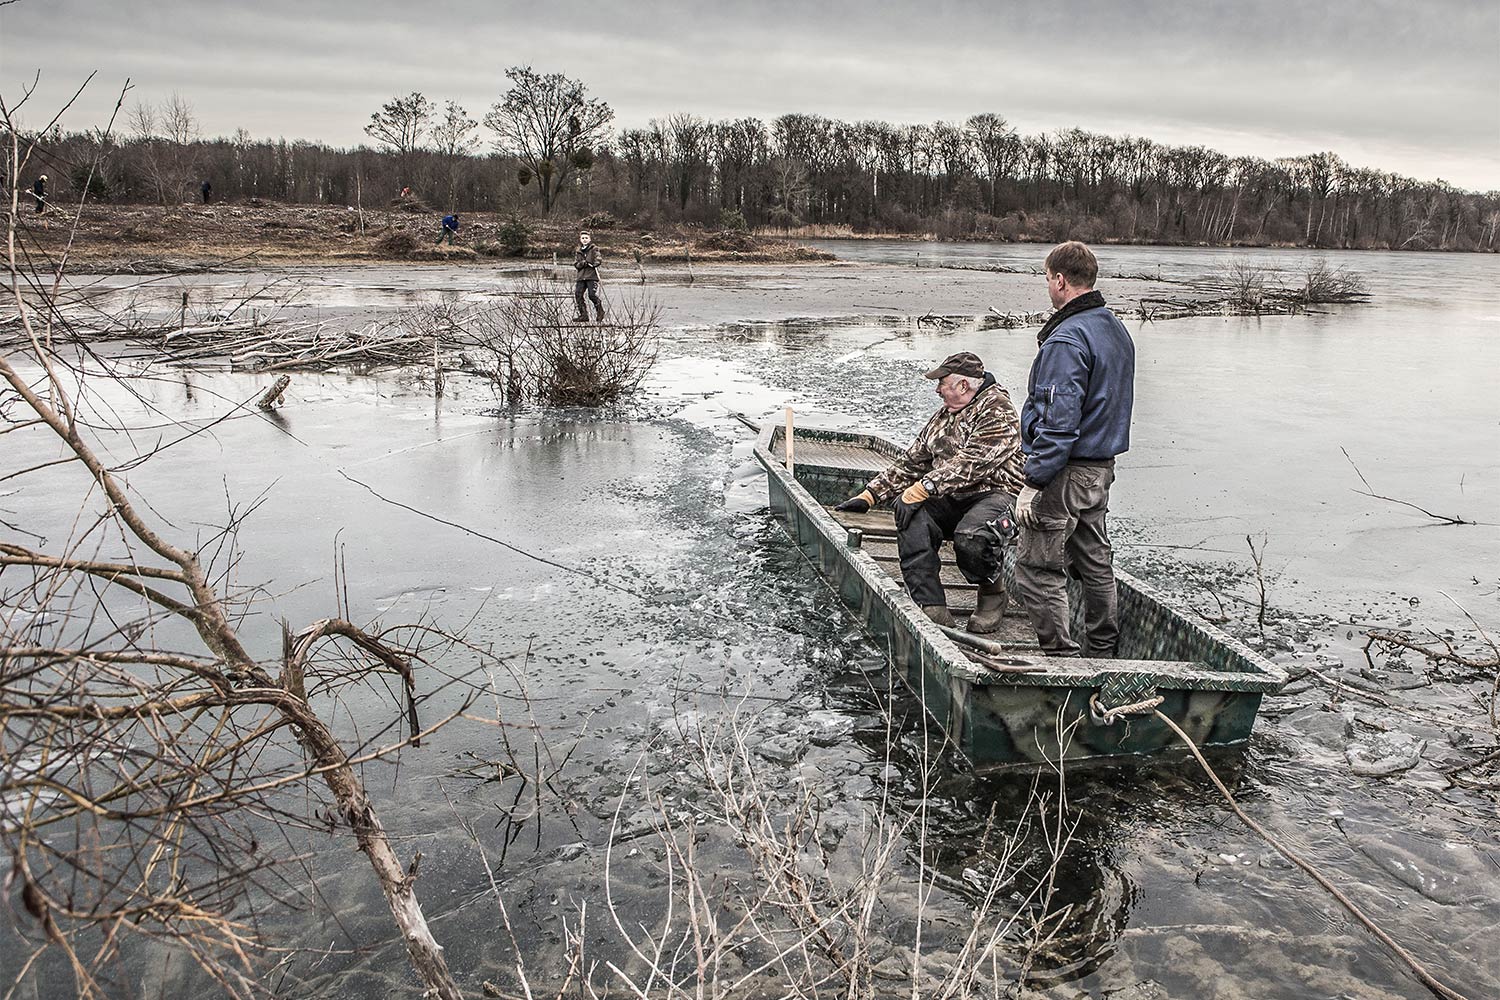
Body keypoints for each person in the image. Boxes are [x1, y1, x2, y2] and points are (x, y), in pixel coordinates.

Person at [834, 351, 1024, 632]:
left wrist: (925, 487)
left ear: (963, 385)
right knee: (910, 511)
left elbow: (973, 463)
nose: (937, 390)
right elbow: (913, 460)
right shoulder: (945, 415)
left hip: (996, 494)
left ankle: (992, 594)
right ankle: (931, 604)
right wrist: (871, 494)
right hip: (952, 495)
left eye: (941, 383)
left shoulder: (998, 411)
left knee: (973, 536)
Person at [1012, 241, 1136, 657]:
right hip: (1100, 469)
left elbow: (1058, 422)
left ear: (1061, 280)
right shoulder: (1114, 328)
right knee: (1094, 559)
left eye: (1048, 278)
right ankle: (1103, 650)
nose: (1048, 286)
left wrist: (1033, 481)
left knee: (1037, 566)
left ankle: (1061, 656)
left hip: (1065, 471)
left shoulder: (1067, 339)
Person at [573, 232, 604, 322]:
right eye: (583, 238)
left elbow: (598, 258)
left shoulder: (594, 249)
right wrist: (582, 264)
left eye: (586, 238)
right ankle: (583, 315)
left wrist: (595, 263)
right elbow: (576, 264)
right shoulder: (578, 251)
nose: (584, 240)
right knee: (578, 295)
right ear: (580, 240)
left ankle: (600, 312)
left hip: (591, 276)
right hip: (581, 277)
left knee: (592, 295)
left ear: (589, 239)